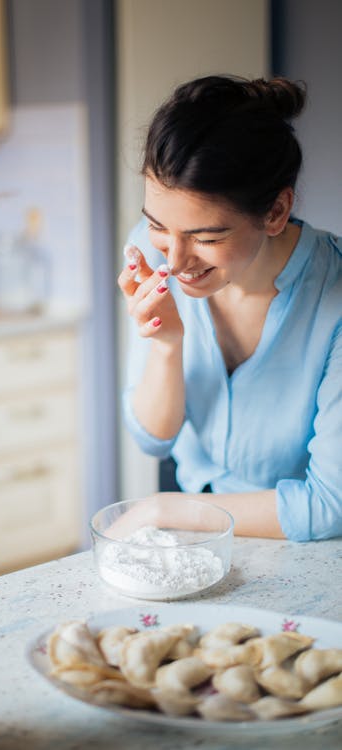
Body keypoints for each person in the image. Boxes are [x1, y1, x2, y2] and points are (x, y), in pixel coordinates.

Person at [117, 74, 342, 542]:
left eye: (207, 237)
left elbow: (328, 505)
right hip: (197, 531)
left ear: (277, 212)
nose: (175, 261)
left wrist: (169, 509)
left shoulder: (334, 297)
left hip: (308, 550)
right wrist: (165, 343)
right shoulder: (151, 253)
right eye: (157, 225)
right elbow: (152, 438)